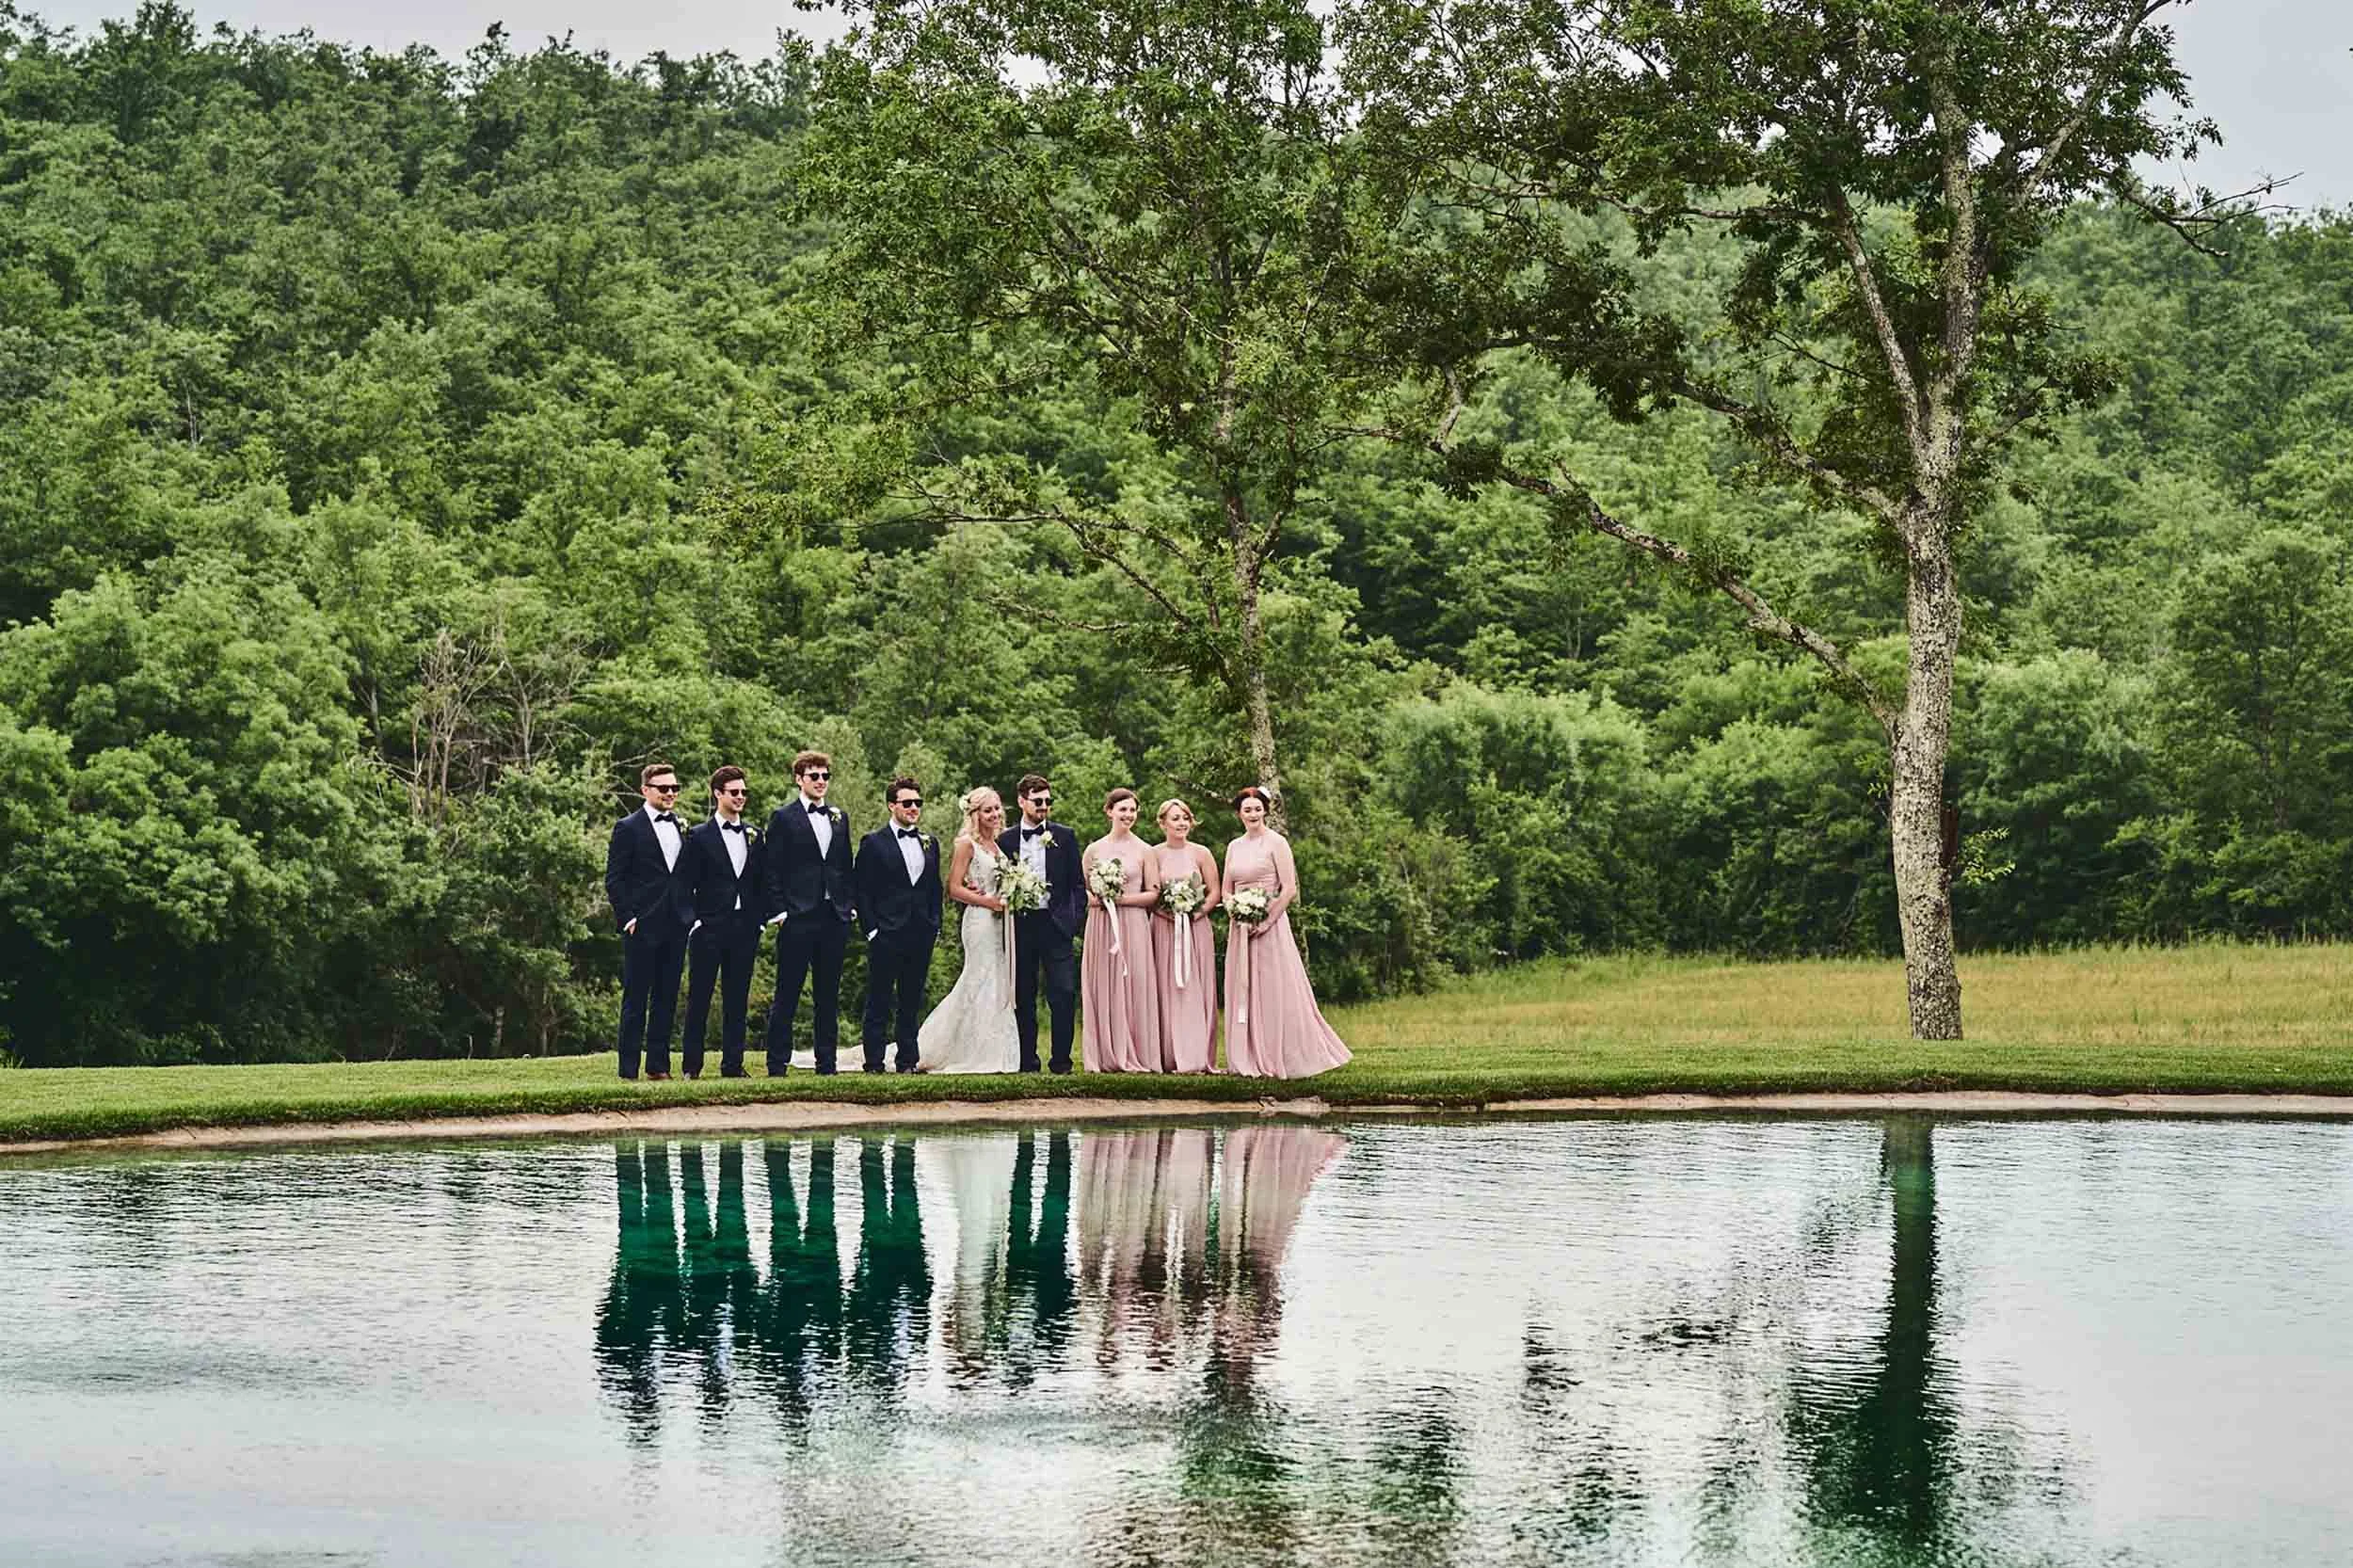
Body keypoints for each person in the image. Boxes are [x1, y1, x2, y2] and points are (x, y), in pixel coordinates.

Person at [1220, 786, 1352, 1079]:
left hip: (1270, 927)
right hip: (1240, 928)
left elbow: (1289, 889)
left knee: (1272, 989)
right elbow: (1226, 889)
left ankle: (1279, 1054)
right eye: (1247, 809)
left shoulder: (1276, 843)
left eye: (1257, 808)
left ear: (1265, 810)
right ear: (1239, 814)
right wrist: (1235, 910)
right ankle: (1246, 1056)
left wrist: (1265, 922)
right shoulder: (1234, 846)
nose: (1253, 814)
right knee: (1243, 988)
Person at [760, 751, 856, 1075]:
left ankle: (826, 1063)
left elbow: (844, 865)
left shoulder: (839, 817)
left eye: (825, 776)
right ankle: (777, 1063)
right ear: (799, 779)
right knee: (787, 992)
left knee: (827, 995)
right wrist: (780, 912)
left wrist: (849, 905)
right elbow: (771, 869)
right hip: (798, 916)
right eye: (814, 776)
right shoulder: (783, 817)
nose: (820, 782)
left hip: (834, 915)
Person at [915, 788, 1021, 1073]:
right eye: (988, 810)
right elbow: (954, 887)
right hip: (980, 921)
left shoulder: (998, 846)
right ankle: (965, 1050)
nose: (996, 814)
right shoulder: (966, 844)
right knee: (979, 977)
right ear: (975, 815)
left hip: (1001, 921)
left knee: (998, 978)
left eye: (998, 808)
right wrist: (986, 901)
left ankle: (994, 1048)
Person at [603, 761, 690, 1080]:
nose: (670, 793)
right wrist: (628, 918)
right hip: (642, 926)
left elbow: (683, 876)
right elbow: (614, 879)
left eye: (674, 788)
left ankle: (658, 1067)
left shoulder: (682, 825)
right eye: (663, 788)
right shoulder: (627, 827)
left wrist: (689, 914)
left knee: (667, 999)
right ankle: (628, 1071)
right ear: (645, 790)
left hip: (677, 924)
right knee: (636, 1000)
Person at [677, 765, 763, 1080]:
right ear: (718, 794)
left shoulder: (755, 835)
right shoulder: (698, 836)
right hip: (709, 928)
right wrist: (694, 922)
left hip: (744, 927)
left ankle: (732, 1065)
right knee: (699, 998)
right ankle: (691, 1067)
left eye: (743, 792)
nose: (741, 797)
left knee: (737, 1000)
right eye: (734, 792)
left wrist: (759, 922)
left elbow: (761, 881)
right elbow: (683, 884)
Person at [854, 776, 942, 1074]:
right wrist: (872, 930)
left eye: (918, 803)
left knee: (911, 1000)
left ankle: (907, 1061)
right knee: (879, 999)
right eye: (907, 803)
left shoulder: (931, 843)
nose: (914, 808)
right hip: (886, 933)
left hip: (920, 932)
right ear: (892, 805)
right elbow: (861, 891)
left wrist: (935, 925)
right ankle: (874, 1062)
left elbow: (934, 888)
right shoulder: (873, 843)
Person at [999, 774, 1084, 1074]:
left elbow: (1077, 885)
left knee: (1063, 992)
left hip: (1056, 925)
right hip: (1021, 925)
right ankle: (1027, 1061)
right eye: (1038, 801)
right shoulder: (1005, 839)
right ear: (1022, 801)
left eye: (1048, 801)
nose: (1045, 806)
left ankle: (1061, 1062)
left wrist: (1073, 921)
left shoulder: (1066, 836)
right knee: (1023, 994)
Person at [1080, 787, 1161, 1072]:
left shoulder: (1145, 850)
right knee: (1103, 983)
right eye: (1123, 809)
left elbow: (1153, 894)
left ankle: (1137, 1051)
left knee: (1134, 983)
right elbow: (1083, 893)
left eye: (1132, 810)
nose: (1128, 815)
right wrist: (1101, 900)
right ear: (1109, 811)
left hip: (1133, 924)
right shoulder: (1094, 850)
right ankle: (1103, 1054)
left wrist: (1120, 900)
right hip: (1101, 924)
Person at [1149, 797, 1222, 1073]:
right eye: (1175, 818)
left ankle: (1199, 1055)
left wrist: (1196, 913)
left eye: (1185, 818)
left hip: (1196, 928)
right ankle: (1168, 1055)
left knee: (1197, 986)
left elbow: (1214, 890)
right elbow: (1153, 892)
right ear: (1162, 823)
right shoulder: (1154, 854)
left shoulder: (1201, 853)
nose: (1181, 823)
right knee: (1166, 988)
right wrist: (1168, 913)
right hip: (1163, 927)